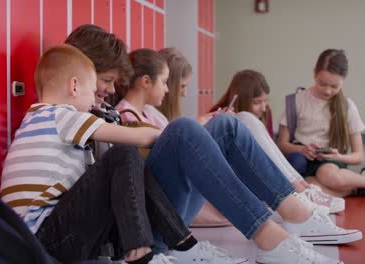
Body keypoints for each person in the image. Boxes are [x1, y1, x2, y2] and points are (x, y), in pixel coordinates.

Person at [0, 44, 250, 264]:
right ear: (74, 86)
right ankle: (143, 251)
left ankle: (180, 242)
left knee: (122, 164)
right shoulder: (60, 116)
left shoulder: (34, 120)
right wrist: (182, 141)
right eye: (91, 92)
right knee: (124, 154)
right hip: (48, 241)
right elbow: (138, 138)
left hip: (41, 238)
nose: (94, 103)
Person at [114, 48, 361, 263]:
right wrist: (188, 132)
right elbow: (132, 175)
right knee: (183, 129)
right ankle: (269, 235)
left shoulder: (150, 113)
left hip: (173, 210)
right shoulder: (122, 115)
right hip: (156, 225)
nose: (169, 90)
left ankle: (294, 210)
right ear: (146, 81)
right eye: (165, 82)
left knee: (227, 124)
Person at [210, 69, 344, 213]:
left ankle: (301, 187)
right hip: (235, 172)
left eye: (265, 100)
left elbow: (268, 149)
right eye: (257, 102)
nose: (263, 107)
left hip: (257, 170)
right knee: (245, 117)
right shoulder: (217, 117)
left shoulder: (264, 113)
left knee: (249, 120)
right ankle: (298, 189)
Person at [276, 49, 365, 197]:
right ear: (314, 74)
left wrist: (338, 157)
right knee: (308, 187)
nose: (328, 91)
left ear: (343, 81)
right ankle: (353, 189)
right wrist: (302, 150)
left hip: (331, 164)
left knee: (328, 175)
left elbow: (358, 157)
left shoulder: (347, 106)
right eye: (322, 83)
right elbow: (280, 145)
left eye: (335, 86)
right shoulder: (296, 101)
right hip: (302, 161)